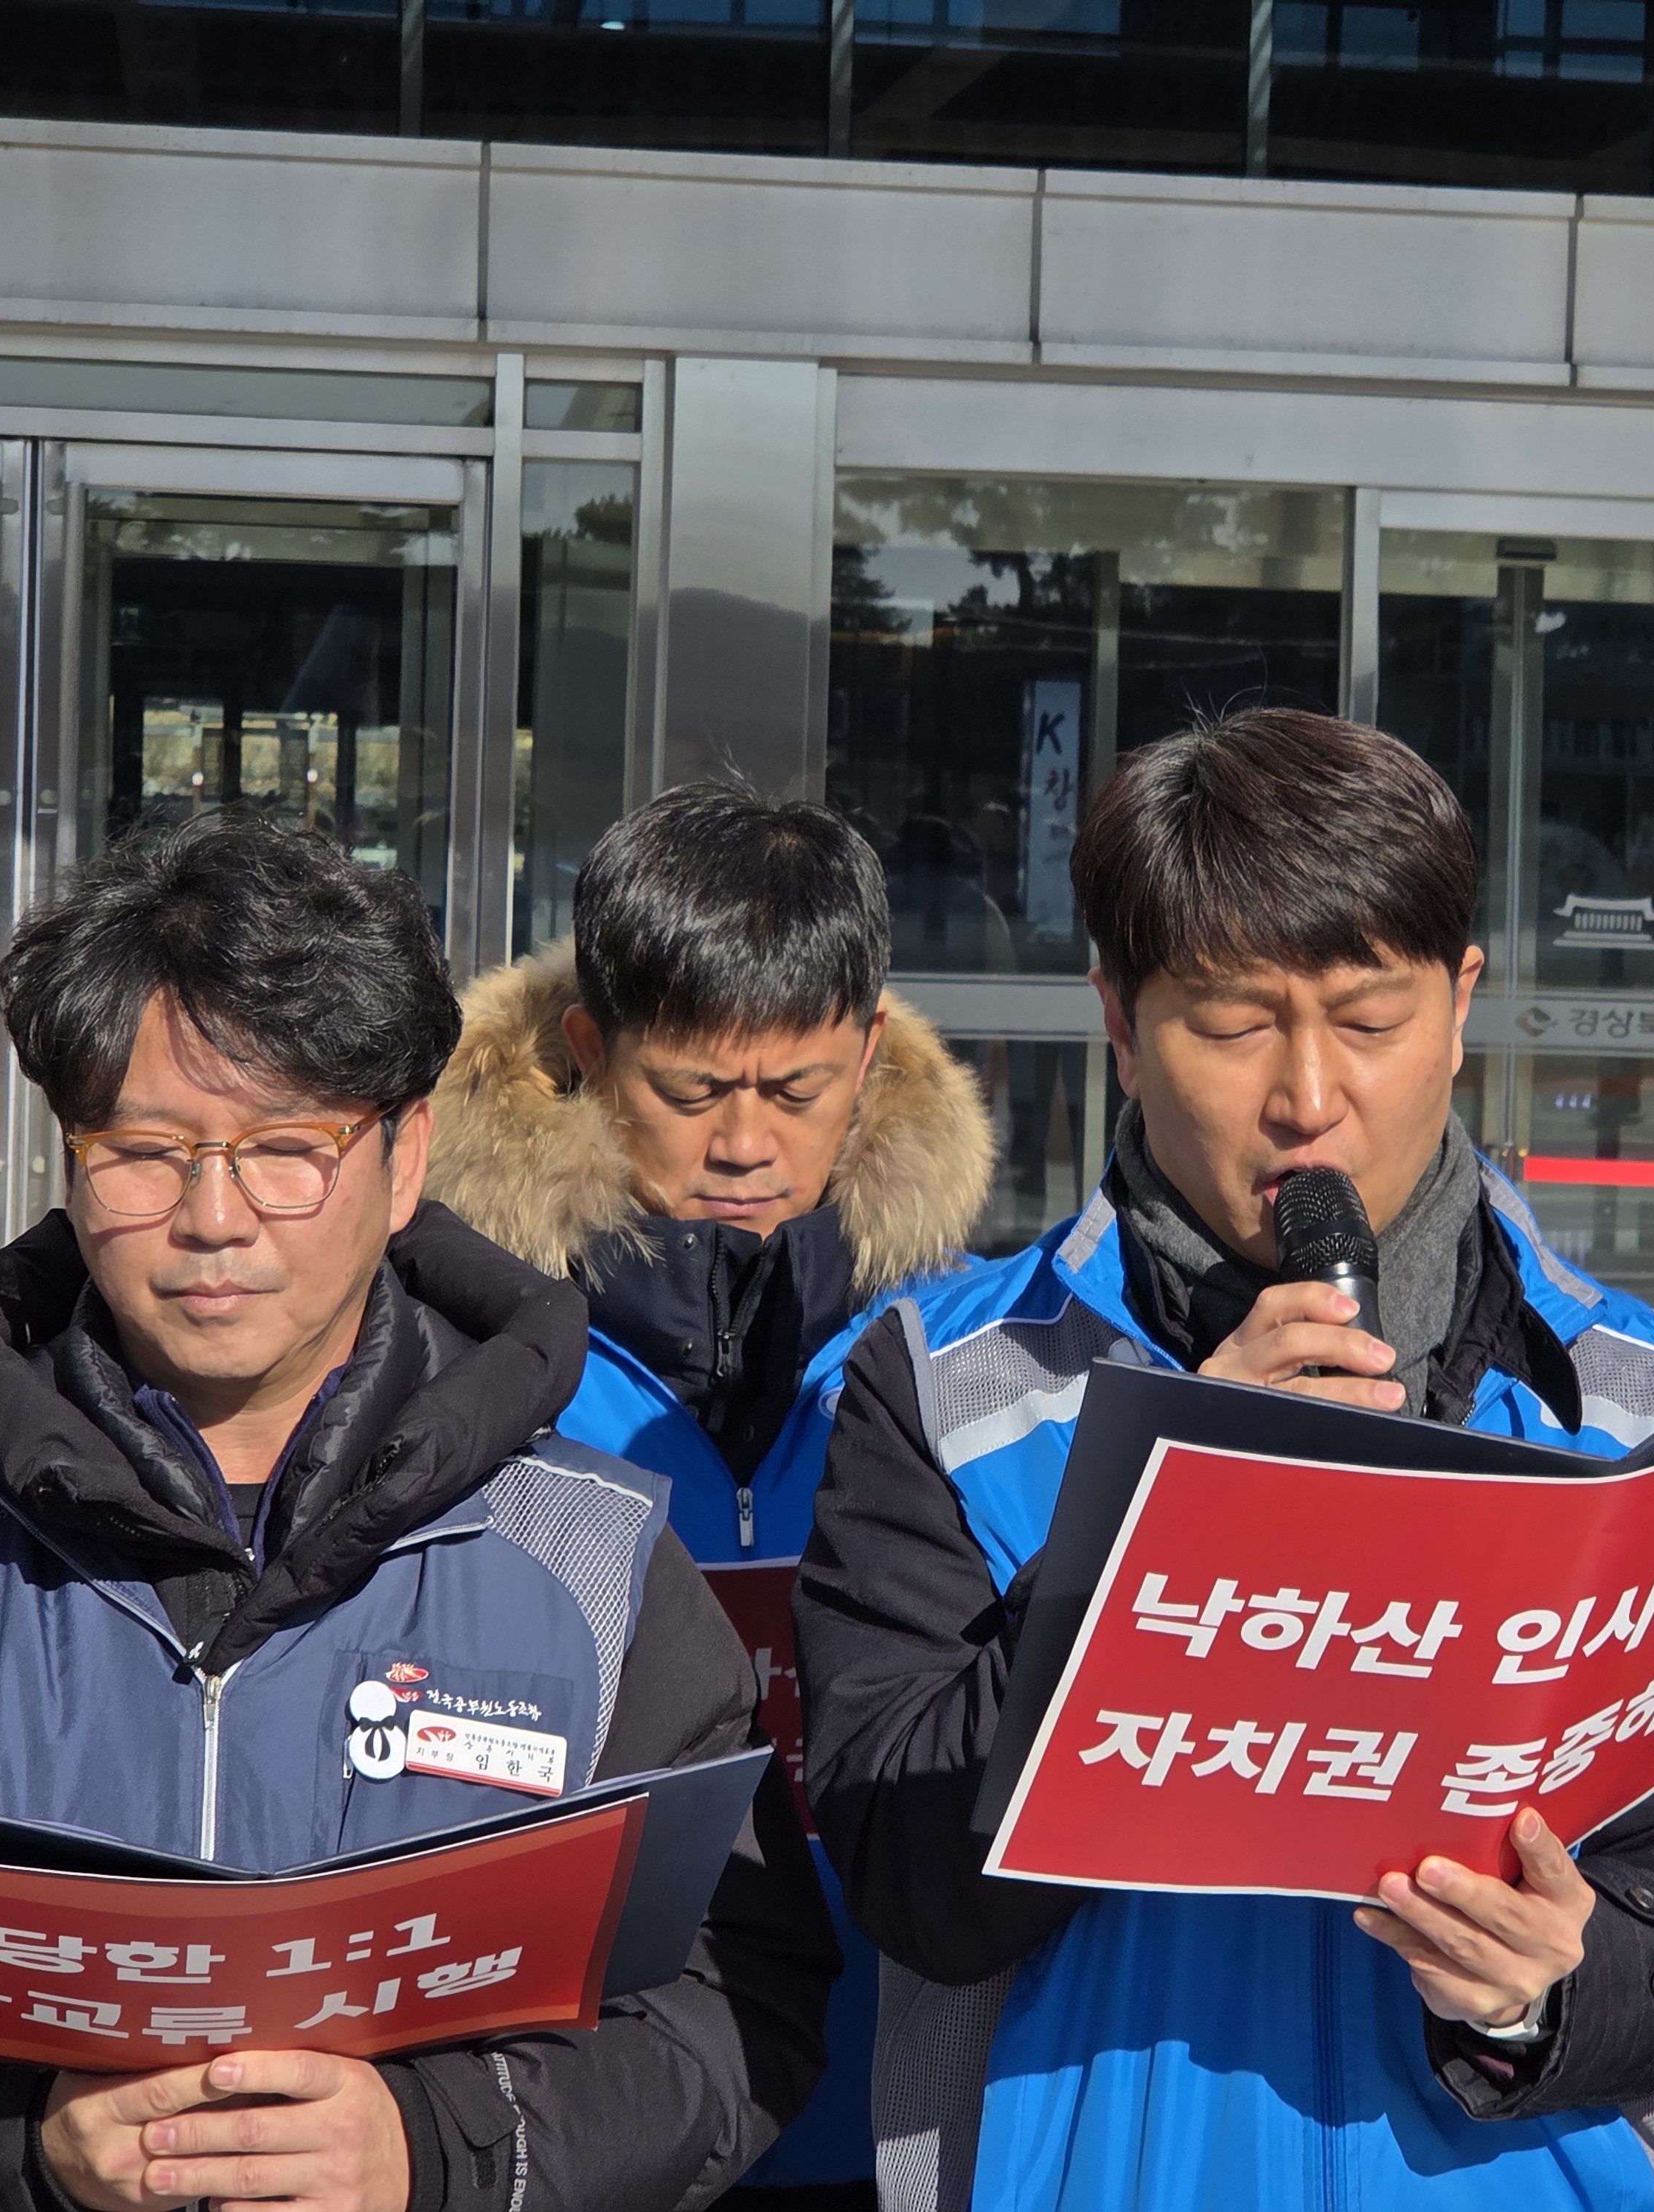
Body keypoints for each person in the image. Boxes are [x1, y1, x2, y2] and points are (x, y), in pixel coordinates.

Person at [0, 812, 841, 2212]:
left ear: (405, 1159)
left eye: (286, 1147)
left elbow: (739, 2000)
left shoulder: (593, 1562)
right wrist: (13, 2148)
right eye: (142, 1149)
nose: (213, 1218)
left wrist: (433, 2147)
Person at [796, 707, 1654, 2212]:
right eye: (1231, 1026)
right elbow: (907, 1882)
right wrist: (1170, 1515)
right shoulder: (946, 1385)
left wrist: (1566, 1980)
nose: (1308, 1096)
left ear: (1460, 1005)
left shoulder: (1638, 1397)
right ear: (1117, 1022)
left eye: (1369, 1019)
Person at [425, 780, 994, 2206]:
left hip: (907, 2122)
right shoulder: (458, 1356)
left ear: (870, 1056)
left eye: (797, 1092)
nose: (744, 1146)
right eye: (688, 1094)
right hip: (584, 2123)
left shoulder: (971, 1361)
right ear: (587, 1053)